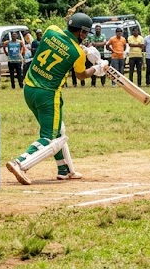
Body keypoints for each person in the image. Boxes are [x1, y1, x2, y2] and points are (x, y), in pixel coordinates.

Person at [6, 13, 106, 185]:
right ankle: (20, 163)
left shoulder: (51, 31)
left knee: (58, 130)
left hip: (29, 88)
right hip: (48, 94)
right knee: (50, 136)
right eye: (85, 34)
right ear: (82, 32)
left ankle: (64, 170)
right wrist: (98, 68)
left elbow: (61, 46)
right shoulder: (77, 53)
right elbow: (81, 75)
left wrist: (83, 50)